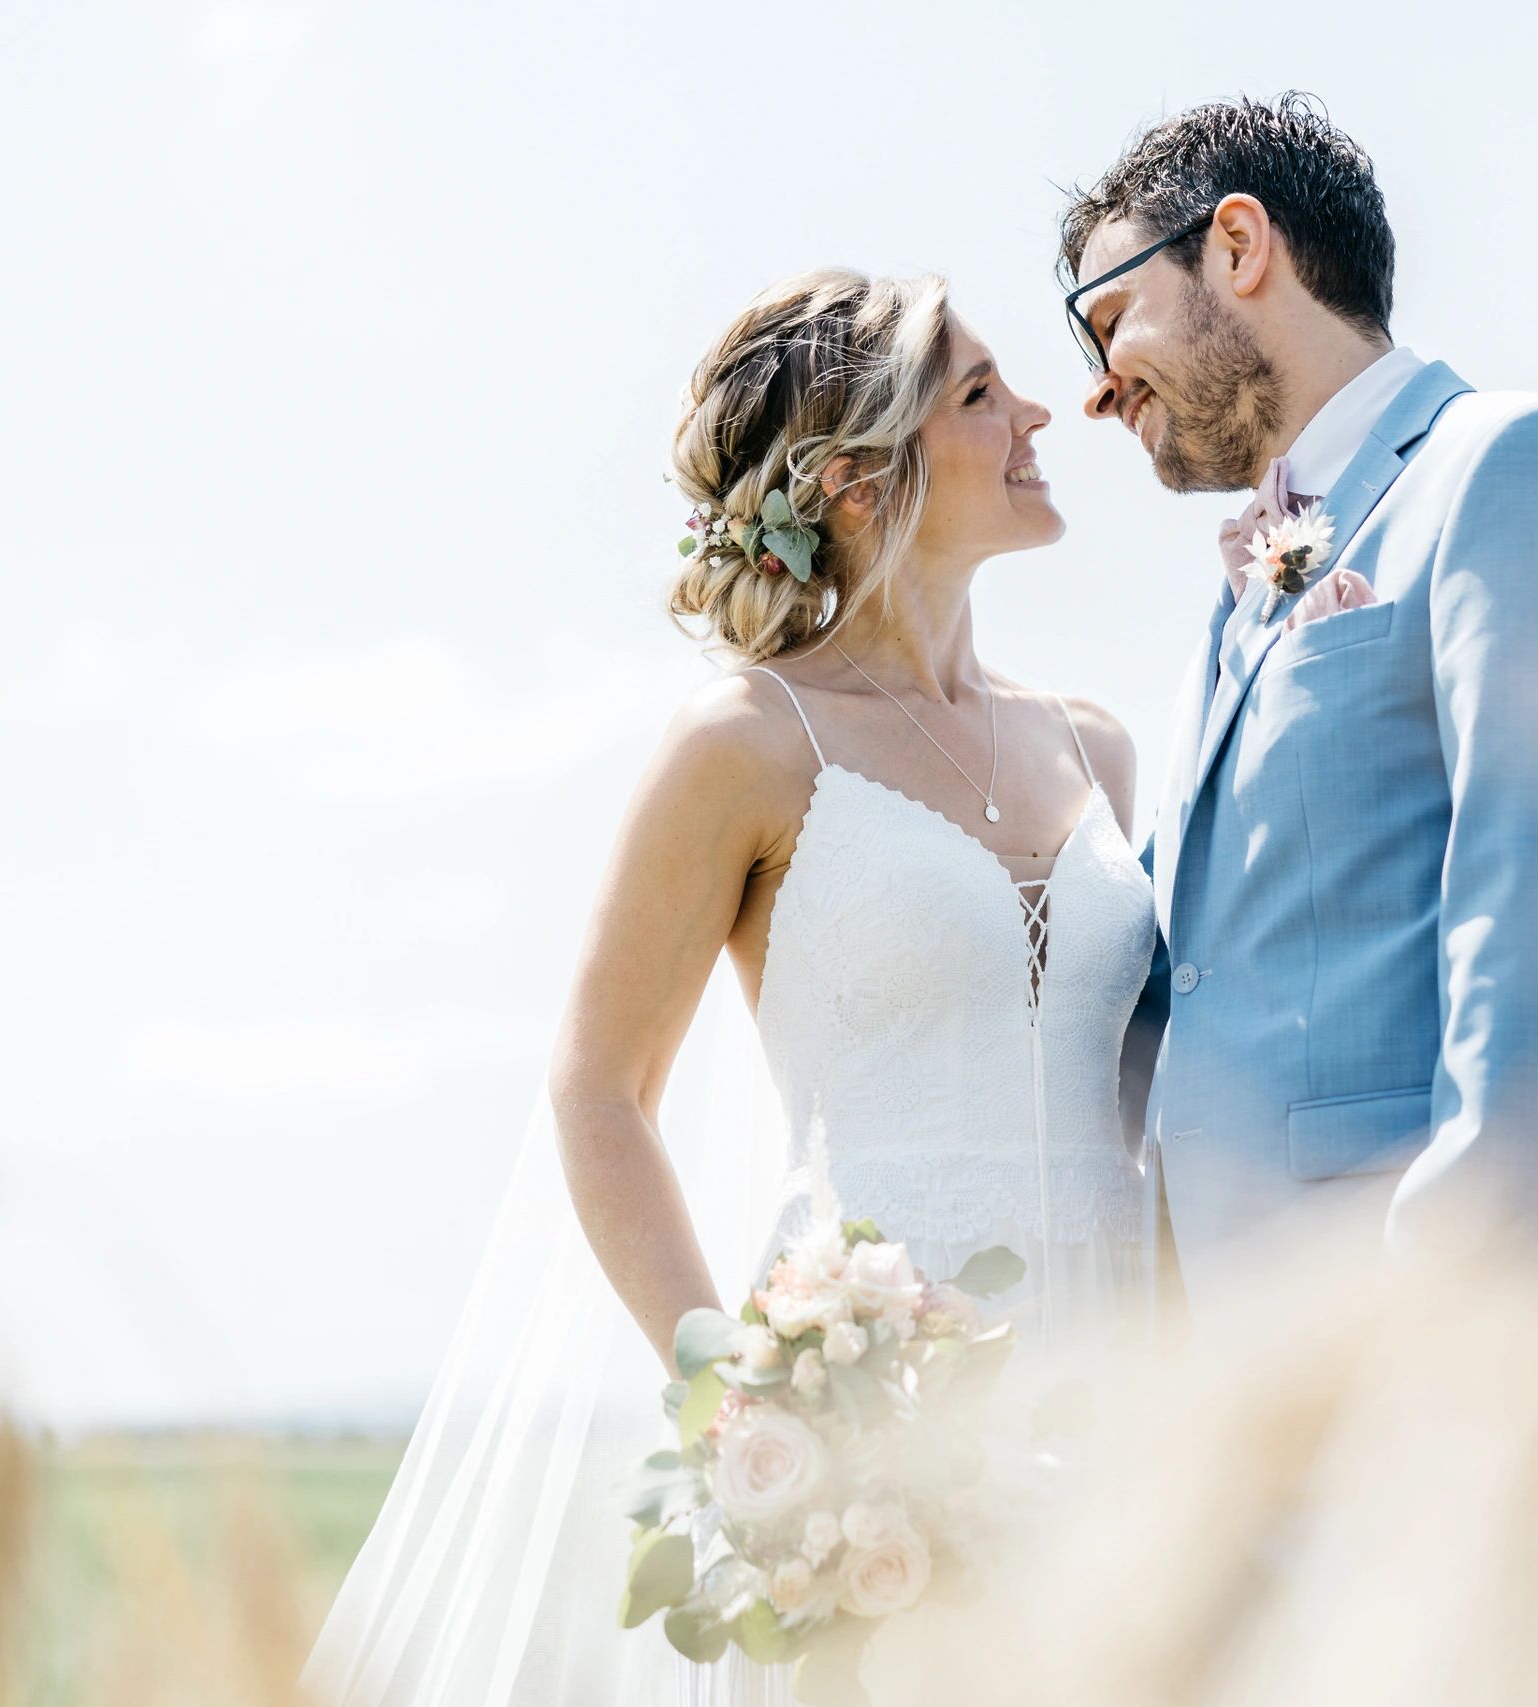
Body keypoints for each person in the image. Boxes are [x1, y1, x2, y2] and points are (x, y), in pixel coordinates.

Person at [301, 268, 1156, 1705]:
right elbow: (598, 1088)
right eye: (981, 393)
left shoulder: (1096, 745)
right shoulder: (751, 742)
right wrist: (738, 1394)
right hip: (885, 1410)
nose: (1037, 413)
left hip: (1131, 1380)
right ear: (856, 481)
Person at [1061, 94, 1538, 1331]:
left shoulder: (1516, 469)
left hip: (1442, 1361)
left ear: (1238, 248)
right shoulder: (1254, 581)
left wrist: (1429, 1324)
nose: (1095, 393)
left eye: (1108, 322)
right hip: (1250, 1372)